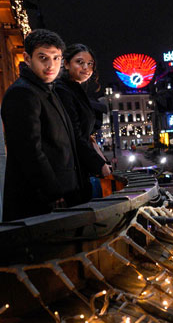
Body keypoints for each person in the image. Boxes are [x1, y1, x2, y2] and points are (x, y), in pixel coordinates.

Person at [1, 29, 83, 221]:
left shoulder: (47, 90)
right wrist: (54, 192)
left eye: (56, 58)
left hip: (59, 197)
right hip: (41, 203)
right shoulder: (22, 93)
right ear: (27, 59)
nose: (50, 65)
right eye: (43, 58)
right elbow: (29, 151)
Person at [55, 44, 111, 199]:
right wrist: (98, 164)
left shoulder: (74, 89)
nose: (86, 67)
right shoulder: (63, 90)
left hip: (78, 166)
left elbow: (84, 133)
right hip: (72, 168)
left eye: (90, 63)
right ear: (66, 64)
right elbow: (75, 133)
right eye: (79, 62)